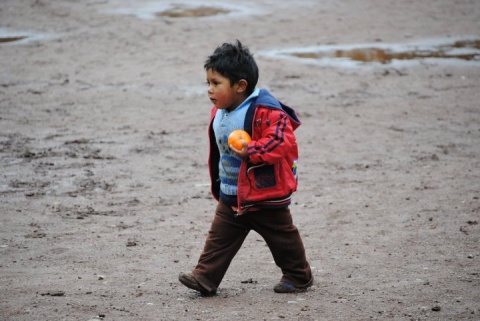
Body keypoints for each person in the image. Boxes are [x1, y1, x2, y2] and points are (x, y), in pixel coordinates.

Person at [179, 40, 313, 296]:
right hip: (233, 191)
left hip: (265, 193)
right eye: (208, 83)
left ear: (240, 86)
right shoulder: (221, 110)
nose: (210, 90)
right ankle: (205, 277)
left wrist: (252, 150)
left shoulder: (265, 111)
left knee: (282, 239)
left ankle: (299, 276)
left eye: (216, 83)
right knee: (218, 239)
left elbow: (281, 142)